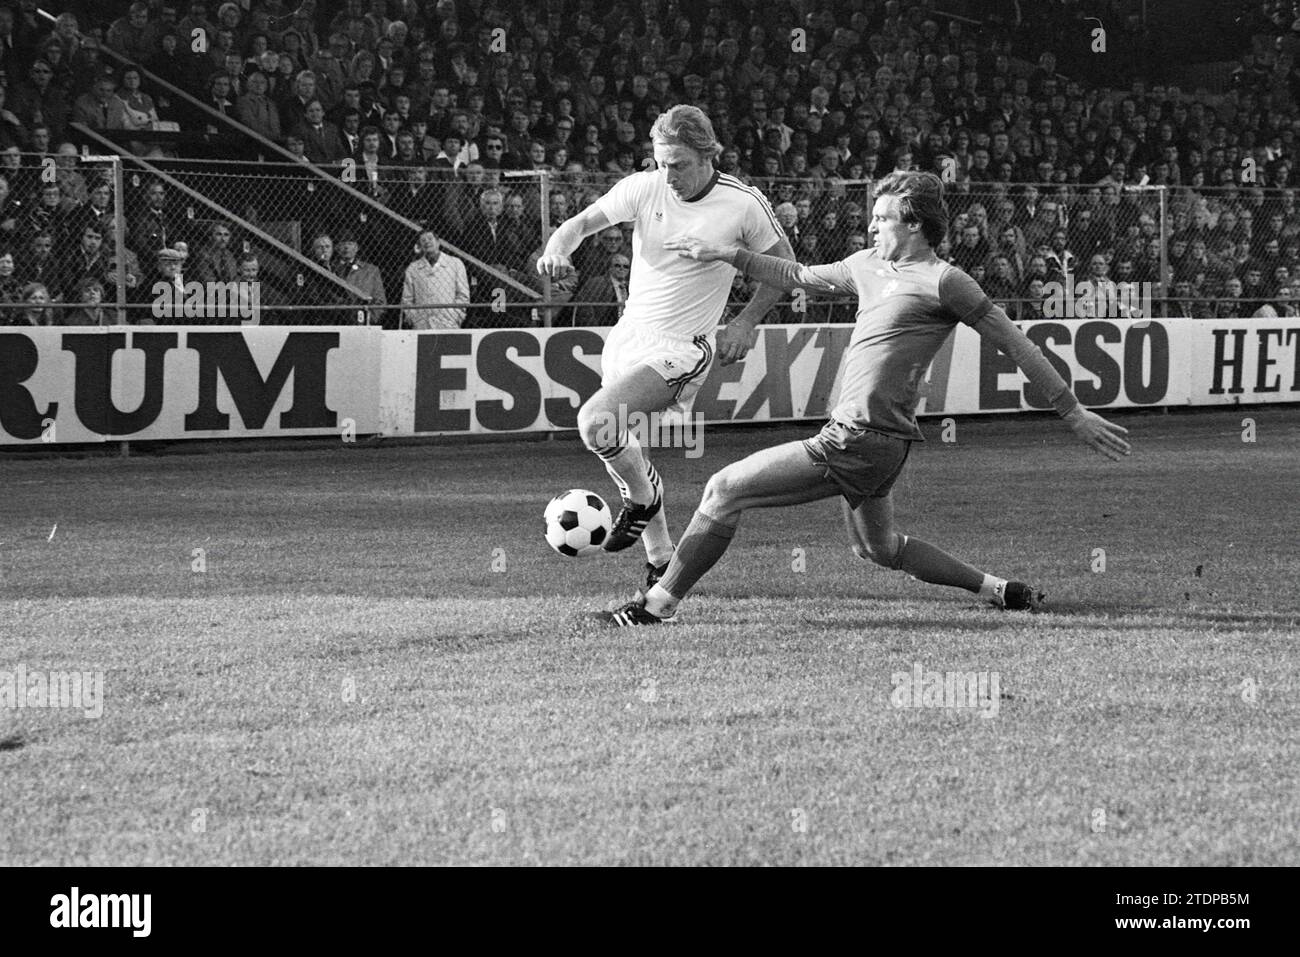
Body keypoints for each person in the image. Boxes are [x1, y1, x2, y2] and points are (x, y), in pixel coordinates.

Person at [596, 171, 1132, 626]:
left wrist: (1072, 410)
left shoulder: (946, 282)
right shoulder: (866, 265)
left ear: (915, 224)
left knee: (724, 489)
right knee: (880, 549)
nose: (872, 225)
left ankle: (655, 606)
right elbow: (794, 273)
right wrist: (727, 254)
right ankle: (1000, 590)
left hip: (861, 437)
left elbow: (1015, 343)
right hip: (880, 441)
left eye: (882, 217)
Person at [536, 105, 793, 590]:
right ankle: (660, 561)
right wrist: (556, 250)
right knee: (627, 444)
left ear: (707, 155)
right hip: (629, 336)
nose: (667, 174)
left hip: (684, 348)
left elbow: (784, 268)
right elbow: (579, 223)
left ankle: (643, 498)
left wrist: (743, 322)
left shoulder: (742, 203)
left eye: (677, 164)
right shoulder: (646, 185)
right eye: (660, 162)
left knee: (596, 423)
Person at [401, 230, 469, 329]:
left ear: (438, 242)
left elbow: (463, 295)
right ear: (420, 246)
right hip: (422, 324)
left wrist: (456, 315)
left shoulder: (456, 263)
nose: (427, 242)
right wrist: (414, 318)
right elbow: (407, 298)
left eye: (430, 238)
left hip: (448, 322)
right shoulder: (413, 268)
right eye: (423, 240)